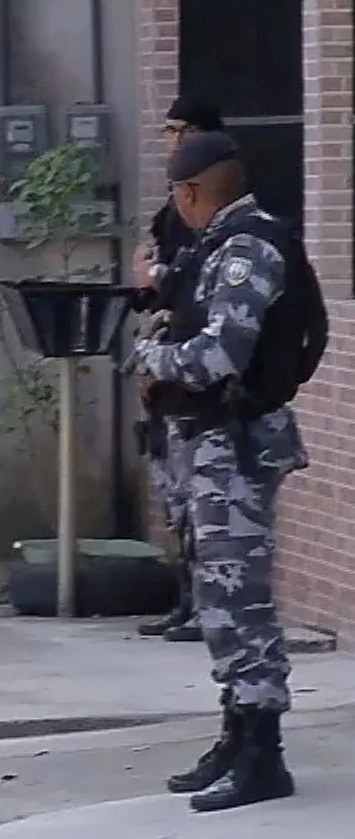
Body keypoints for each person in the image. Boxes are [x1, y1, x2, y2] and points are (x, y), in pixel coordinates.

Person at [128, 131, 326, 814]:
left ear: (188, 194)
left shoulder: (246, 249)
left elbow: (218, 356)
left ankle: (261, 754)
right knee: (220, 600)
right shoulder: (222, 244)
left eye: (174, 194)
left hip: (233, 446)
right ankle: (235, 734)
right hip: (210, 445)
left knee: (240, 601)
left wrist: (148, 361)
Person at [133, 95, 225, 644]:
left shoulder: (219, 213)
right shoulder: (174, 211)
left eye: (179, 131)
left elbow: (189, 284)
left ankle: (203, 607)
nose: (170, 142)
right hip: (169, 367)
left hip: (197, 377)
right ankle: (185, 600)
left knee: (202, 503)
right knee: (173, 495)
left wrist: (156, 274)